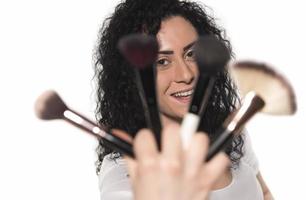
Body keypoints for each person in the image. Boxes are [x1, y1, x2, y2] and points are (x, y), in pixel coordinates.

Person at [94, 0, 274, 199]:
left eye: (191, 54)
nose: (186, 74)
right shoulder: (123, 176)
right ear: (132, 77)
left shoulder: (228, 129)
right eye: (162, 62)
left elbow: (264, 193)